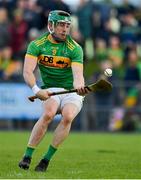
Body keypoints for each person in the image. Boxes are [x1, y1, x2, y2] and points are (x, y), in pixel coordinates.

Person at [18, 10, 89, 172]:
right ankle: (28, 155)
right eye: (61, 25)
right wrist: (36, 90)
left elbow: (78, 75)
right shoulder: (37, 45)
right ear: (51, 25)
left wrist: (80, 87)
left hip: (71, 90)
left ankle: (45, 160)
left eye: (67, 26)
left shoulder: (75, 48)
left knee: (68, 116)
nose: (65, 29)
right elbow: (27, 72)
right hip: (50, 88)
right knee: (49, 114)